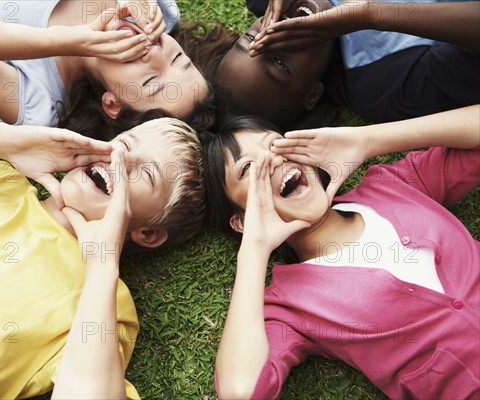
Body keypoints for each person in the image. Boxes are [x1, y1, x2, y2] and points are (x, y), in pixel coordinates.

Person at [0, 111, 205, 398]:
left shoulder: (108, 305)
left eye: (146, 174)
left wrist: (103, 267)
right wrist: (1, 140)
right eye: (125, 144)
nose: (122, 160)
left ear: (147, 233)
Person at [200, 105, 480, 399]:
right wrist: (254, 249)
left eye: (275, 144)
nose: (272, 158)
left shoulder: (392, 185)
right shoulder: (290, 307)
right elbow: (240, 392)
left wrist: (368, 140)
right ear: (242, 220)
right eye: (249, 168)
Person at [0, 0, 211, 139]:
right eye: (179, 59)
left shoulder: (41, 101)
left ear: (113, 104)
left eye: (152, 81)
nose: (155, 53)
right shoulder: (157, 14)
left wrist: (62, 41)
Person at [213, 0, 480, 130]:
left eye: (251, 39)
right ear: (312, 93)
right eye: (281, 64)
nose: (273, 36)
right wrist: (372, 15)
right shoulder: (386, 84)